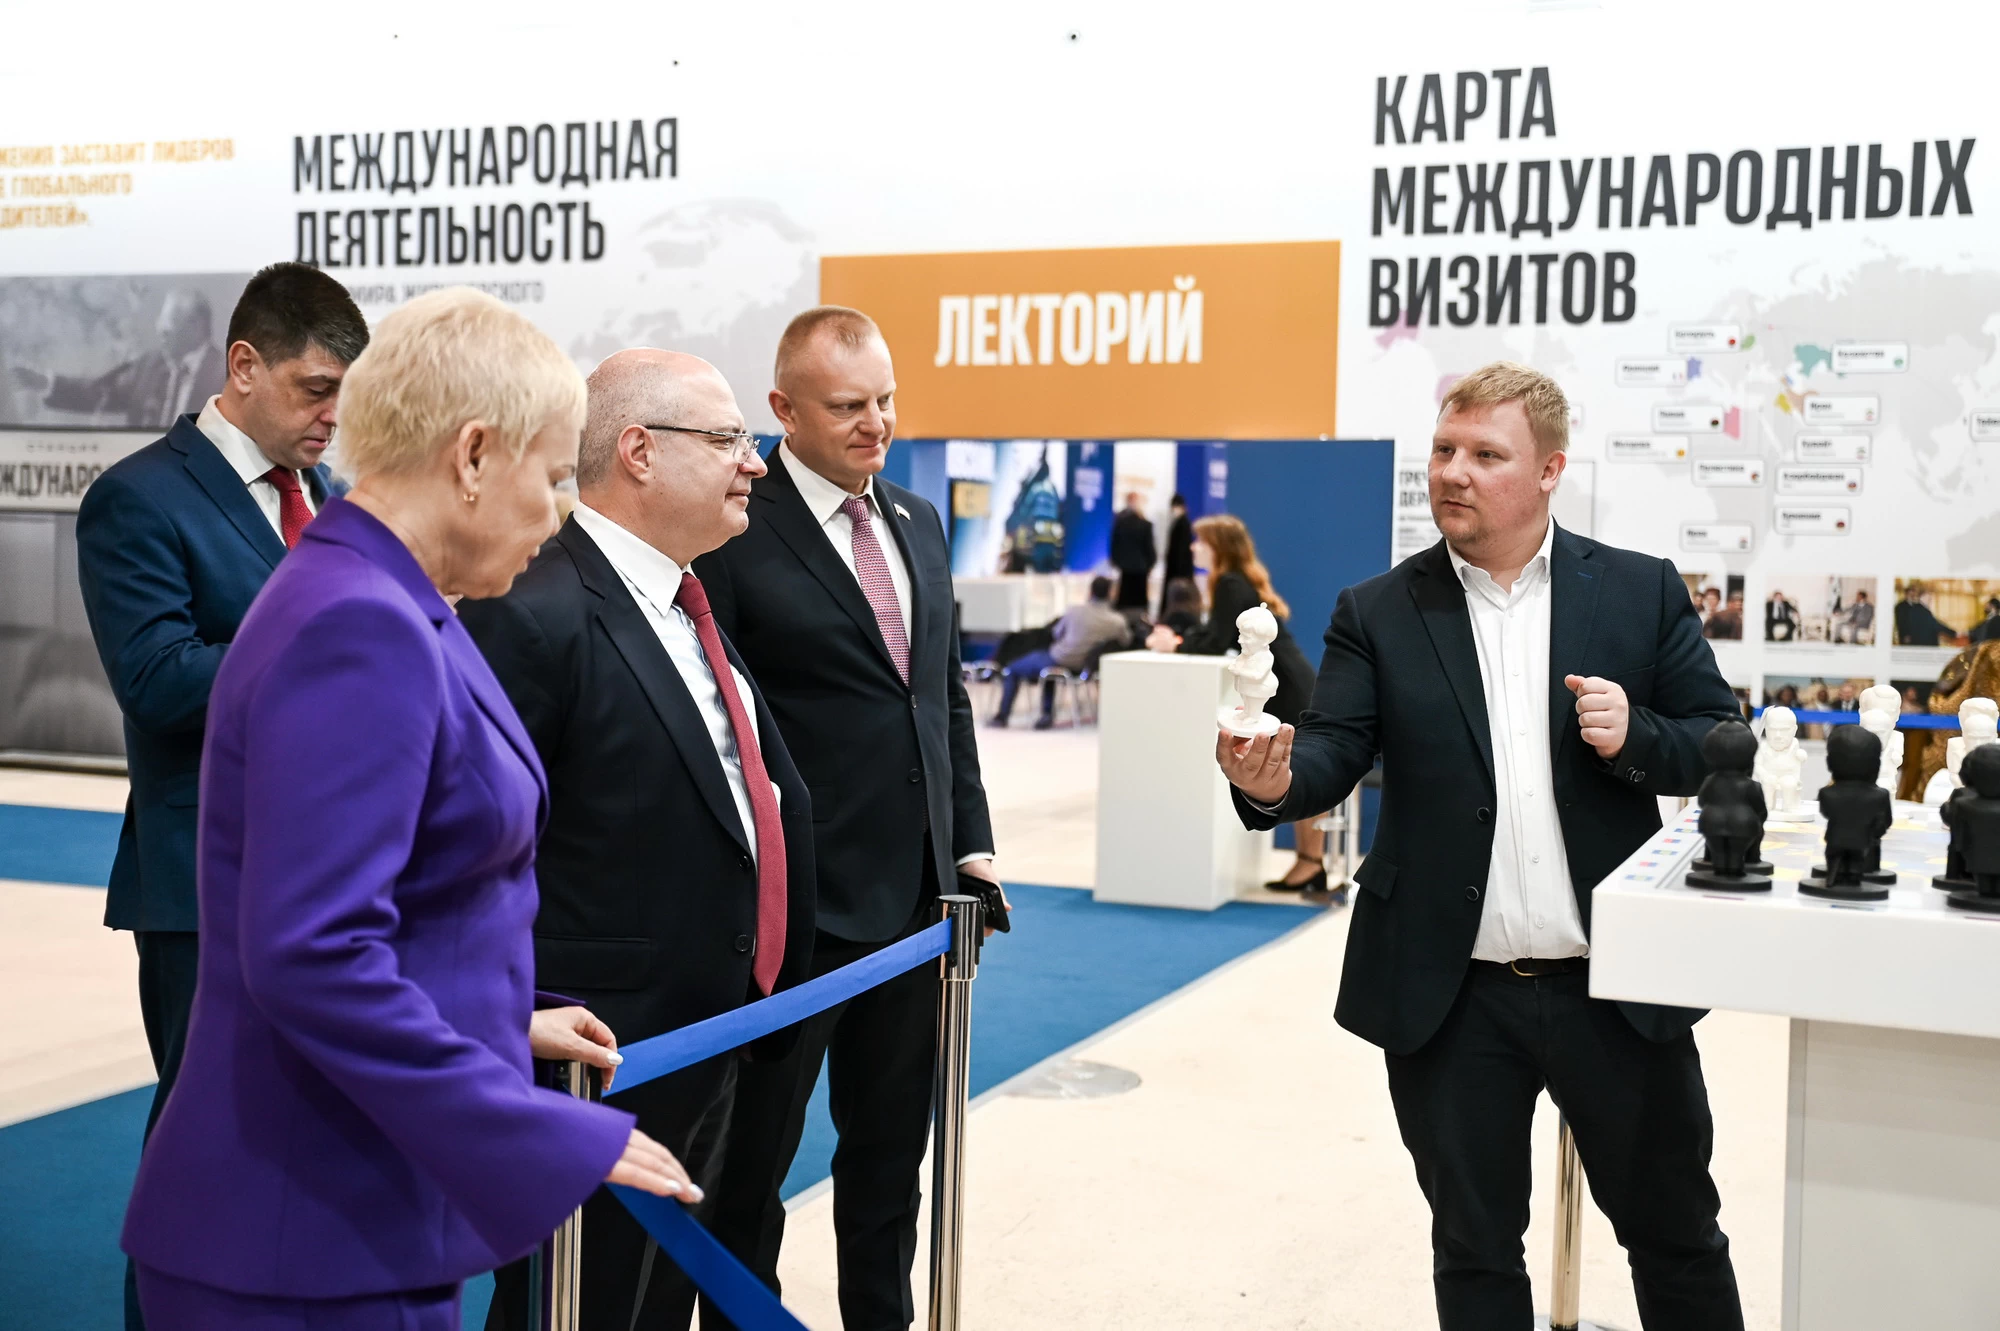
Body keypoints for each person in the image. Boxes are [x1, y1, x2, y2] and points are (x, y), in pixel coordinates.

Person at [119, 288, 697, 1329]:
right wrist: (532, 1128)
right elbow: (313, 952)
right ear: (473, 454)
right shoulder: (358, 623)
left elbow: (389, 893)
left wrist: (500, 1019)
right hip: (305, 1235)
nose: (558, 514)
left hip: (345, 1214)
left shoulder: (380, 598)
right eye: (552, 478)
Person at [1215, 362, 1745, 1328]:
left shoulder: (1638, 590)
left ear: (1549, 470)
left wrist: (1637, 736)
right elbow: (1334, 748)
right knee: (1473, 1249)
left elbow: (1719, 740)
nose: (1453, 472)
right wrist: (1273, 782)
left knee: (1677, 1237)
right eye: (1444, 450)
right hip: (1451, 997)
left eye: (1486, 455)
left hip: (1616, 989)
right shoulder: (1379, 609)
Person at [461, 350, 818, 1331]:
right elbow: (467, 858)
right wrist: (514, 1013)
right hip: (598, 1057)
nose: (755, 462)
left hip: (713, 1036)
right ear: (639, 451)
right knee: (574, 1306)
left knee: (657, 1302)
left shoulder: (684, 602)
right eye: (729, 438)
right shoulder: (532, 613)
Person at [691, 305, 1002, 1330]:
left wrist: (969, 845)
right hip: (794, 914)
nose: (876, 423)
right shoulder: (734, 525)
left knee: (888, 1163)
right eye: (847, 406)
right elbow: (719, 719)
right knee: (749, 1171)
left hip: (915, 910)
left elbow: (939, 698)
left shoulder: (916, 519)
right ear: (782, 410)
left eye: (886, 400)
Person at [73, 262, 367, 1331]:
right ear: (243, 365)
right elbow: (157, 683)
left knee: (305, 1155)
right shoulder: (138, 497)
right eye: (313, 389)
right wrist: (333, 631)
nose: (330, 416)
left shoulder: (330, 498)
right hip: (207, 889)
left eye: (342, 396)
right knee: (206, 1160)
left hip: (333, 883)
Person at [1148, 513, 1323, 890]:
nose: (1194, 547)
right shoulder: (1236, 581)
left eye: (1200, 541)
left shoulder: (1230, 583)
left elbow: (1216, 639)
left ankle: (1311, 863)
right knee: (1300, 766)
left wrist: (1175, 643)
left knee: (1301, 766)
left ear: (1218, 547)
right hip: (1291, 680)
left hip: (1286, 686)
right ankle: (1310, 862)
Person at [14, 287, 226, 428]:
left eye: (166, 330)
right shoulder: (149, 366)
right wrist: (45, 383)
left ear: (196, 326)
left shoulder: (226, 376)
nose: (159, 334)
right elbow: (99, 393)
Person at [991, 573, 1131, 728]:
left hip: (1060, 658)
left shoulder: (1074, 612)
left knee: (1013, 669)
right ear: (1110, 593)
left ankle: (1003, 717)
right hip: (1088, 667)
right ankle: (1045, 715)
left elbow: (1056, 633)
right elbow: (1125, 641)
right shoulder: (1117, 621)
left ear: (1090, 592)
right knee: (1049, 671)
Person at [1109, 489, 1156, 609]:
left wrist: (1116, 561)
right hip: (1141, 567)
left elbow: (1115, 544)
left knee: (1125, 600)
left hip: (1126, 566)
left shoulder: (1120, 522)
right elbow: (1149, 547)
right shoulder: (1144, 524)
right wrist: (1151, 563)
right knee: (1139, 601)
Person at [1158, 492, 1195, 618]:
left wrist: (1180, 571)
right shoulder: (1180, 522)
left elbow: (1182, 550)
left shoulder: (1183, 523)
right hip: (1177, 568)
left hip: (1178, 569)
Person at [1895, 580, 1957, 646]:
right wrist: (1954, 633)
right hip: (1922, 643)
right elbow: (1936, 625)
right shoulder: (1919, 610)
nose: (1930, 600)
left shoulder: (1916, 608)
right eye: (1929, 598)